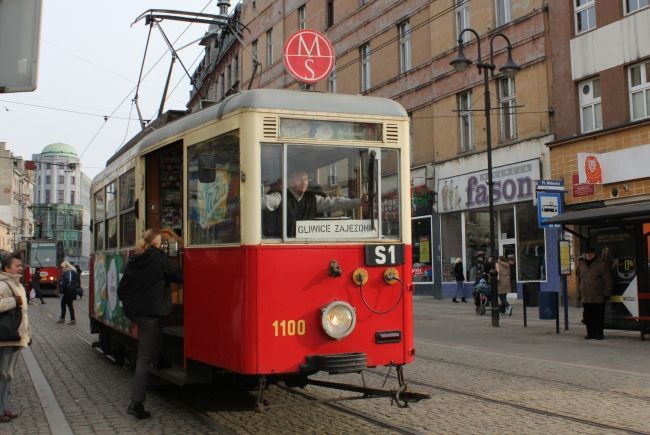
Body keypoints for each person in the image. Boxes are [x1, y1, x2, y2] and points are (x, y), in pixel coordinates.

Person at [117, 229, 183, 419]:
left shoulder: (135, 258)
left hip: (136, 313)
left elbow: (122, 289)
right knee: (143, 359)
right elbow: (177, 276)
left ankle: (160, 358)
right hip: (149, 314)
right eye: (161, 240)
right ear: (156, 242)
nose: (163, 242)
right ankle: (136, 403)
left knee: (157, 332)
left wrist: (132, 305)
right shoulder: (159, 258)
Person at [262, 170, 368, 237]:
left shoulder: (312, 199)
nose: (305, 182)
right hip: (283, 246)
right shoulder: (280, 196)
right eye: (300, 179)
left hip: (307, 245)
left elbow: (335, 203)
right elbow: (264, 202)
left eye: (306, 179)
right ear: (291, 182)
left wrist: (358, 202)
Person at [0, 252, 32, 422]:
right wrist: (15, 301)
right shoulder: (3, 284)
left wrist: (28, 333)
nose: (20, 268)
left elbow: (23, 314)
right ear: (6, 268)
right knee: (2, 374)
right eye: (17, 265)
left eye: (21, 265)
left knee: (8, 374)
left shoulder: (17, 284)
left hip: (15, 336)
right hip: (4, 337)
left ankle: (5, 408)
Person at [579, 247, 613, 340]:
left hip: (598, 295)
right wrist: (579, 293)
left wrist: (607, 293)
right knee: (588, 316)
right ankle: (590, 333)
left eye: (591, 253)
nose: (589, 255)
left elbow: (608, 280)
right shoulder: (582, 265)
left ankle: (599, 333)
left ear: (595, 254)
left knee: (598, 316)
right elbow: (580, 279)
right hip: (586, 296)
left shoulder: (602, 265)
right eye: (587, 253)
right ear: (585, 254)